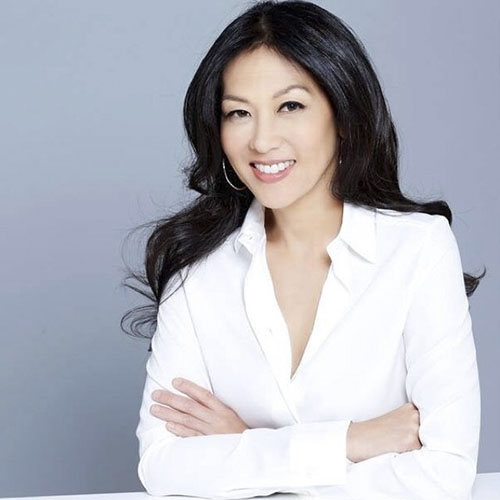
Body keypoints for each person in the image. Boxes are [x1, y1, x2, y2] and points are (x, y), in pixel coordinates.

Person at [123, 1, 483, 498]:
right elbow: (164, 466)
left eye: (290, 106)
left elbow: (445, 474)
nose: (262, 140)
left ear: (343, 113)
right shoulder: (198, 270)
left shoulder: (419, 248)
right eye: (239, 113)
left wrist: (247, 448)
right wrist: (350, 441)